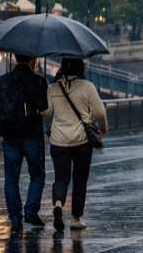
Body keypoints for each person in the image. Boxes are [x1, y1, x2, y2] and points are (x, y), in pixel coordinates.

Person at [43, 58, 108, 231]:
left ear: (62, 68)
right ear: (81, 67)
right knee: (80, 179)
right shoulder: (88, 87)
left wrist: (47, 90)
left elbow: (46, 111)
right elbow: (100, 112)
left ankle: (58, 203)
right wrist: (103, 131)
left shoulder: (53, 88)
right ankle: (76, 218)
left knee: (61, 177)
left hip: (58, 141)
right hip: (81, 141)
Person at [0, 53, 49, 231]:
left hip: (10, 136)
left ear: (15, 57)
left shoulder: (2, 81)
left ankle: (15, 219)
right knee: (37, 174)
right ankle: (31, 210)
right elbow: (44, 107)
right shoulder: (38, 81)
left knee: (11, 178)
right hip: (32, 135)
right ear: (33, 60)